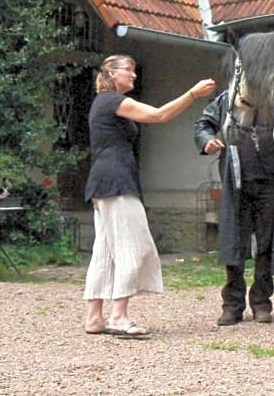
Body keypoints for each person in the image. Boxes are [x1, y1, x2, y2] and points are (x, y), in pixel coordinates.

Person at [83, 54, 216, 338]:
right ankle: (118, 317)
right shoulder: (111, 100)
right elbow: (159, 115)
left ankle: (95, 318)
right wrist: (192, 94)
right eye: (128, 70)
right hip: (116, 181)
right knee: (135, 246)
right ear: (110, 74)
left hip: (104, 181)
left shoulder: (104, 103)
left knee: (105, 252)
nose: (133, 75)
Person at [193, 90, 274, 326]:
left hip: (272, 184)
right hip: (237, 183)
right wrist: (207, 140)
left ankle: (261, 303)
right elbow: (203, 124)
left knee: (267, 245)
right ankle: (232, 305)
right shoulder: (229, 98)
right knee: (234, 244)